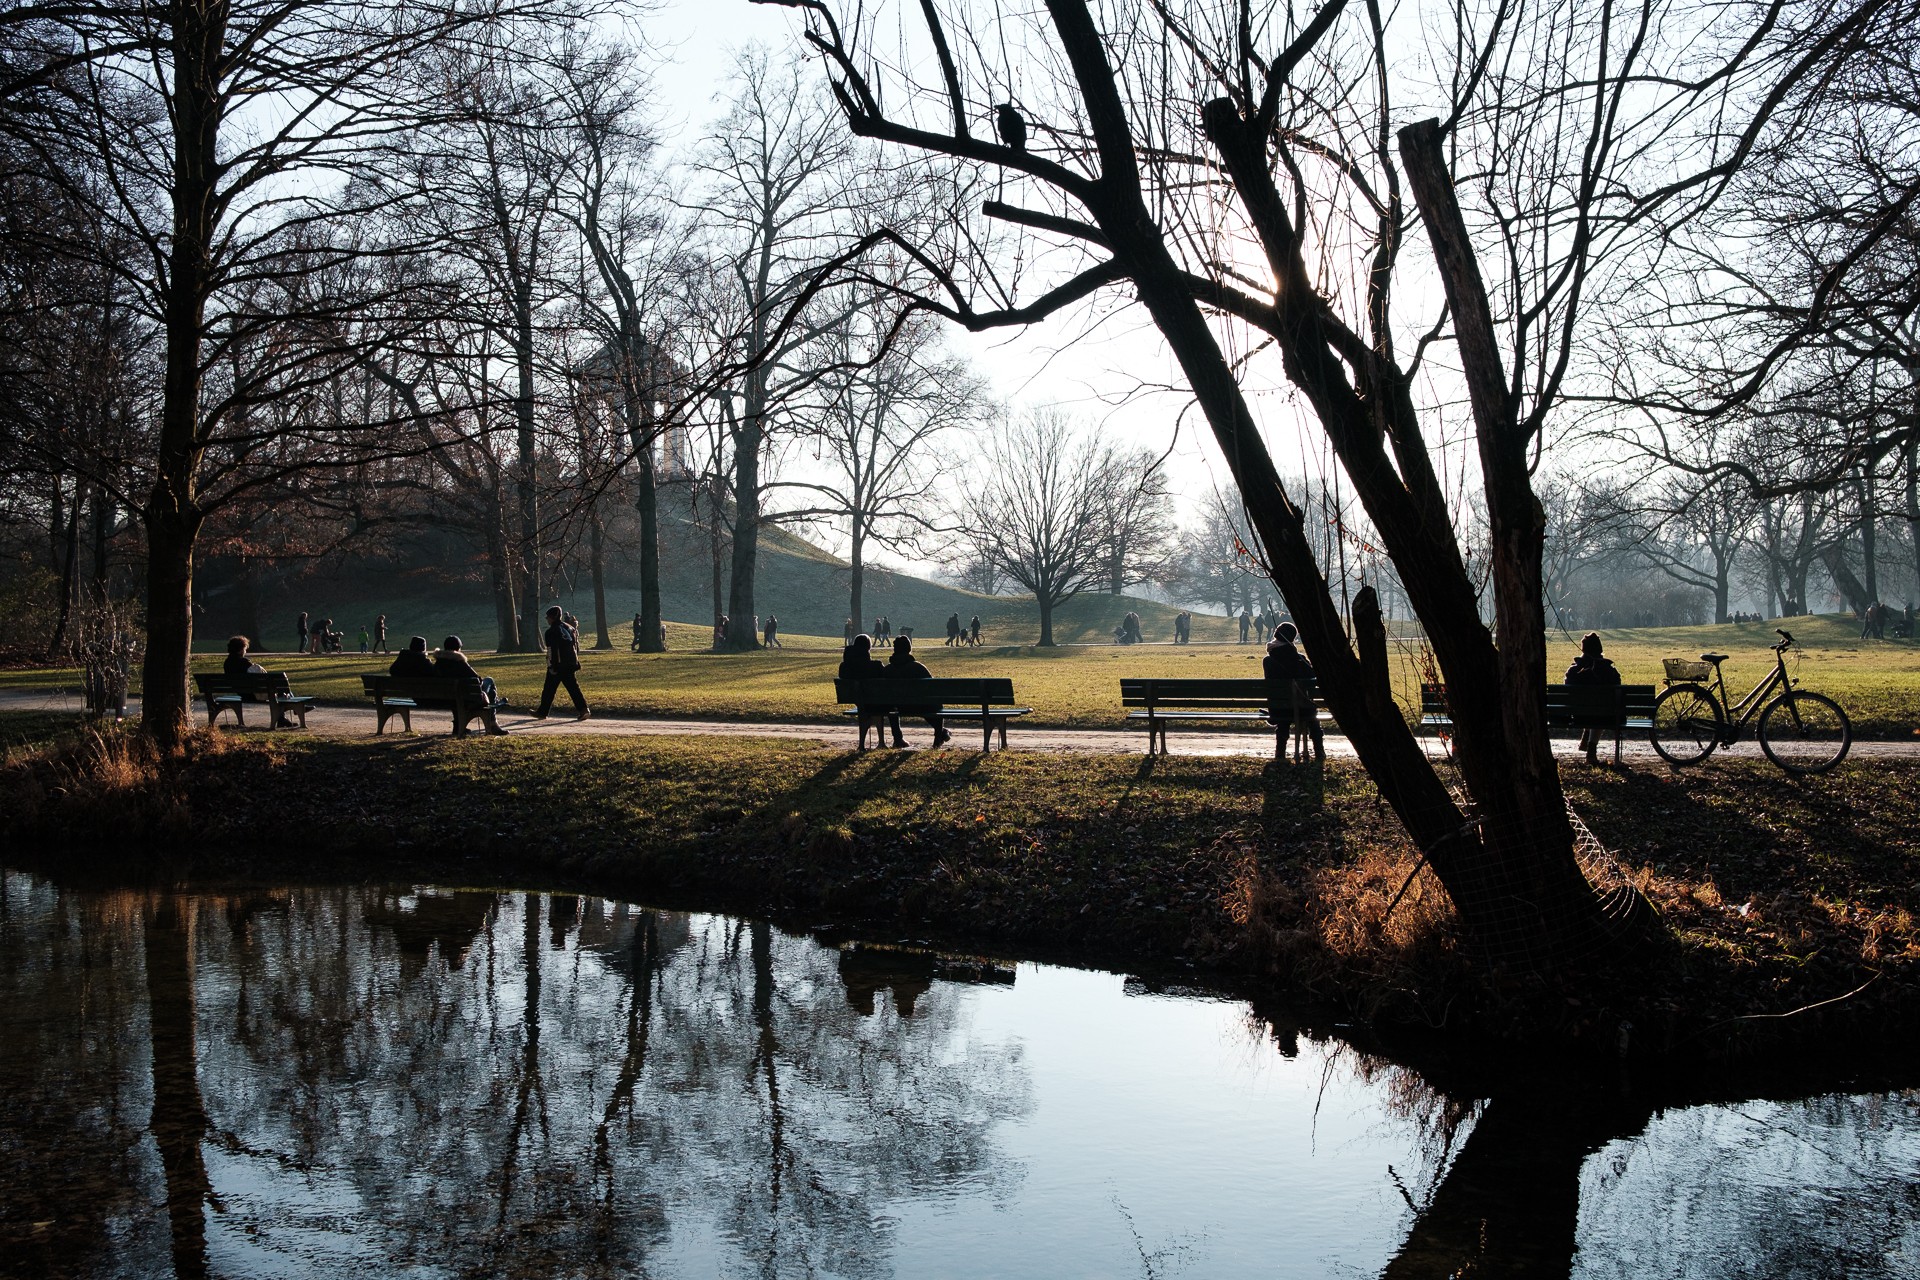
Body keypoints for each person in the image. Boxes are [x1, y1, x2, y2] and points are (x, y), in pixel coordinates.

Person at [1263, 623, 1322, 763]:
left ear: (1276, 635)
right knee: (1312, 718)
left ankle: (1280, 751)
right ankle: (1319, 751)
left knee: (1284, 717)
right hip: (1303, 709)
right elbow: (1312, 677)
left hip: (1279, 709)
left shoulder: (1268, 660)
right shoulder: (1299, 658)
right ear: (1292, 638)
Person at [838, 633, 904, 748]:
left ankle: (862, 744)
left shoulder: (844, 667)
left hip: (860, 703)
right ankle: (890, 741)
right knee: (891, 706)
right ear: (868, 648)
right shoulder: (876, 666)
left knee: (869, 707)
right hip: (876, 703)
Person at [1564, 631, 1621, 764]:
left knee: (1590, 708)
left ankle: (1586, 735)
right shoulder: (1610, 672)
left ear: (1583, 649)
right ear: (1600, 650)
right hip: (1604, 715)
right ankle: (1591, 750)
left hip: (1577, 716)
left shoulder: (1573, 672)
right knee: (1598, 710)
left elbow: (1567, 691)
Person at [431, 636, 508, 735]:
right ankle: (493, 724)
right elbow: (478, 680)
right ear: (458, 648)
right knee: (489, 681)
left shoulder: (438, 663)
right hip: (467, 699)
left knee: (458, 694)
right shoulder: (459, 662)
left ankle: (458, 726)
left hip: (445, 700)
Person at [886, 635, 950, 747]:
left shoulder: (888, 670)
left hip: (898, 707)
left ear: (895, 650)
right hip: (920, 705)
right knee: (935, 703)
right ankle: (939, 735)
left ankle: (898, 738)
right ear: (909, 649)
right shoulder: (918, 668)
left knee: (891, 704)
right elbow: (934, 689)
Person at [534, 604, 589, 720]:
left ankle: (542, 712)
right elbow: (576, 646)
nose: (547, 619)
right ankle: (584, 709)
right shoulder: (570, 628)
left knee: (549, 688)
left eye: (548, 617)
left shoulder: (550, 632)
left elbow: (551, 651)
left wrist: (551, 666)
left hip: (558, 665)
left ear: (553, 617)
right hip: (571, 663)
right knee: (573, 688)